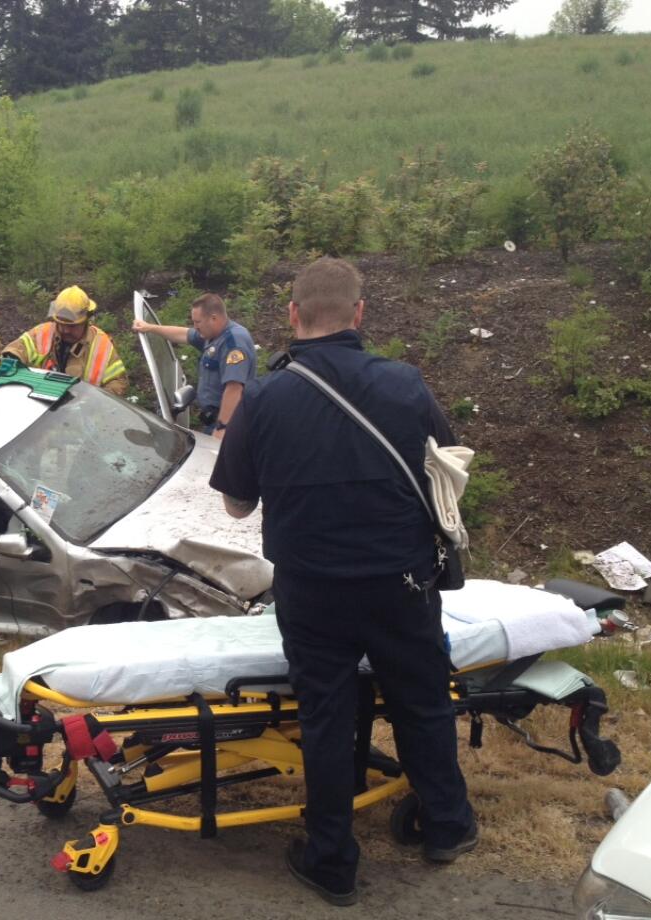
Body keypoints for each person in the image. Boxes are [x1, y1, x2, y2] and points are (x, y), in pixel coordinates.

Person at [208, 258, 476, 906]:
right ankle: (447, 826)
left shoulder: (266, 397)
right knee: (422, 702)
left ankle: (331, 861)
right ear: (359, 315)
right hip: (403, 582)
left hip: (314, 590)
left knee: (326, 717)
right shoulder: (405, 384)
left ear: (293, 317)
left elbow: (236, 507)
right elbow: (448, 464)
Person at [132, 292, 256, 437]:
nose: (195, 326)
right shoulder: (213, 335)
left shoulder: (234, 343)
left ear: (213, 318)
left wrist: (223, 427)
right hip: (214, 421)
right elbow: (183, 334)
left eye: (198, 322)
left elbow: (234, 389)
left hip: (230, 425)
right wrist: (150, 328)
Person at [2, 285, 128, 396]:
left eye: (71, 326)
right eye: (59, 323)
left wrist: (94, 402)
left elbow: (118, 382)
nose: (64, 330)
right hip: (42, 406)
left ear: (86, 321)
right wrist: (11, 358)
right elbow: (17, 349)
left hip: (81, 415)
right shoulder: (42, 333)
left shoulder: (101, 345)